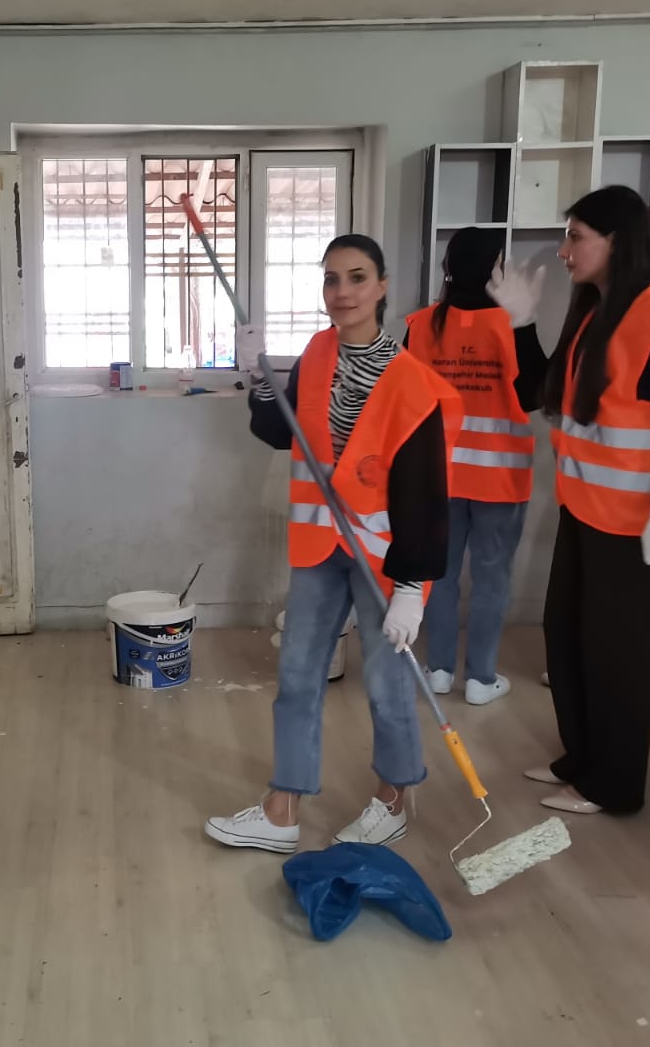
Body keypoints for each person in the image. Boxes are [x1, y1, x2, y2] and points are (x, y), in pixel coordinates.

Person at [205, 233, 461, 853]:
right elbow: (279, 430)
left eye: (356, 277)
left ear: (381, 287)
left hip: (386, 559)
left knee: (387, 683)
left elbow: (426, 493)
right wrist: (260, 373)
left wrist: (411, 590)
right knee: (297, 674)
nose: (342, 291)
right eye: (331, 279)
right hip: (320, 548)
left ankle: (393, 798)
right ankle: (283, 808)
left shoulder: (412, 383)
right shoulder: (318, 354)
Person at [503, 186, 650, 816]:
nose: (564, 251)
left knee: (616, 655)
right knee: (567, 636)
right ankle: (582, 759)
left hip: (633, 522)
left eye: (575, 237)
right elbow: (536, 395)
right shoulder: (595, 314)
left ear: (616, 242)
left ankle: (615, 785)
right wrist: (520, 326)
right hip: (584, 508)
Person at [402, 227, 549, 706]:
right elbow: (535, 396)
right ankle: (481, 678)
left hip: (438, 475)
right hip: (500, 477)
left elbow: (404, 400)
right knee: (491, 578)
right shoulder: (511, 323)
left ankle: (440, 670)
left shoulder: (421, 325)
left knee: (439, 576)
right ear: (495, 269)